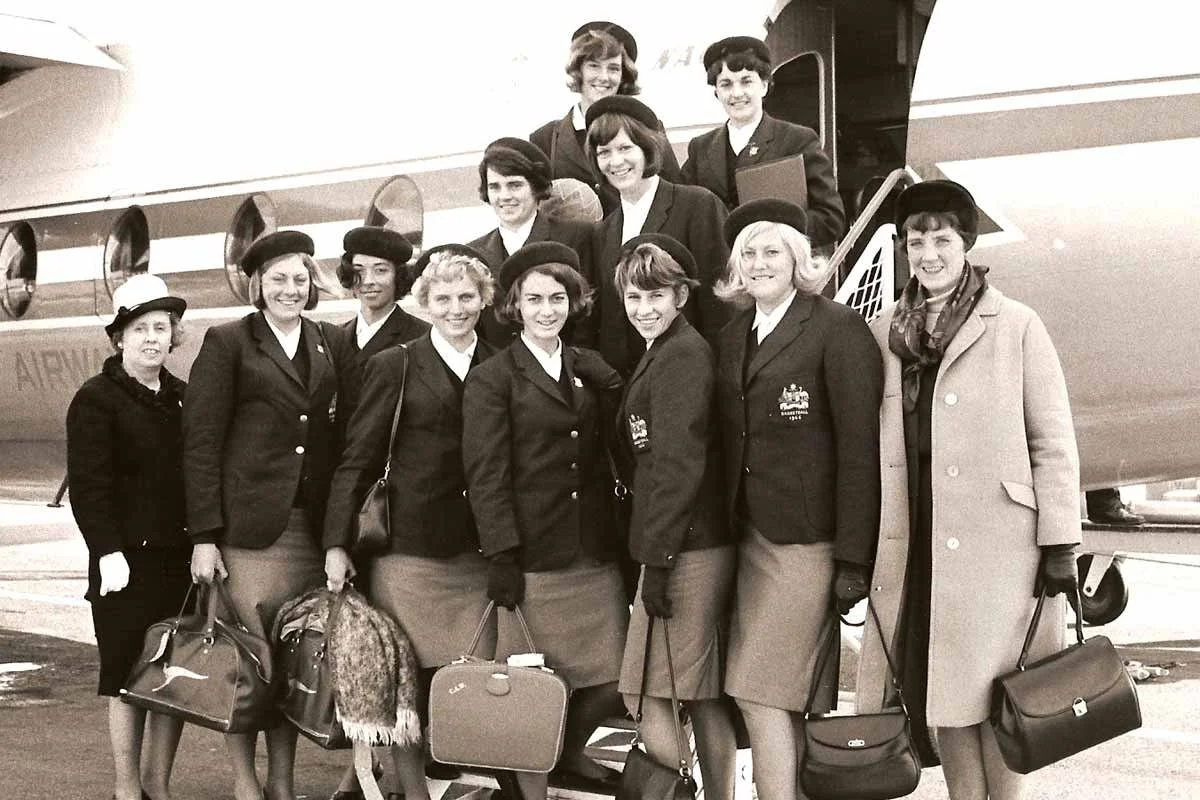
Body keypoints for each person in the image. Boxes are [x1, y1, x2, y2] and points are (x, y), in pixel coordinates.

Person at [856, 180, 1081, 800]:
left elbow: (1052, 440)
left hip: (1000, 543)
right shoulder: (884, 333)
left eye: (942, 239)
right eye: (915, 241)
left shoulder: (1015, 324)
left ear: (966, 244)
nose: (928, 253)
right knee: (944, 692)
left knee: (1002, 694)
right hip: (920, 539)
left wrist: (1060, 541)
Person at [713, 199, 883, 800]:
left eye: (772, 251)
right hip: (749, 539)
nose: (760, 264)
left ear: (797, 259)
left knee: (759, 691)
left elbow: (860, 449)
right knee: (779, 697)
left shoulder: (836, 328)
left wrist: (855, 560)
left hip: (807, 543)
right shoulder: (733, 336)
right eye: (749, 254)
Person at [324, 248, 500, 800]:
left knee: (467, 676)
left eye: (467, 297)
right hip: (409, 549)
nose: (456, 308)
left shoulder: (503, 362)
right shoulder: (396, 363)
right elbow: (357, 459)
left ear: (484, 300)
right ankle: (411, 793)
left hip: (477, 549)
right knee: (409, 679)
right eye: (443, 298)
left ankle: (433, 780)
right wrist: (335, 543)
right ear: (424, 303)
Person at [462, 242, 627, 800]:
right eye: (534, 299)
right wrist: (501, 554)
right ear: (514, 306)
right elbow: (485, 473)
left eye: (558, 297)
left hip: (591, 551)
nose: (547, 309)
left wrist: (609, 384)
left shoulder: (582, 364)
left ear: (572, 302)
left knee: (611, 679)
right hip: (533, 555)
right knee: (529, 686)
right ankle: (526, 789)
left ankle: (558, 757)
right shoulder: (493, 377)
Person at [183, 231, 338, 800]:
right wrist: (204, 535)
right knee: (248, 664)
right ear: (258, 285)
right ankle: (247, 784)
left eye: (300, 278)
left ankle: (283, 782)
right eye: (278, 279)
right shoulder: (228, 342)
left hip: (306, 530)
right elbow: (200, 443)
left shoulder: (325, 341)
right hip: (249, 533)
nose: (290, 289)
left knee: (292, 663)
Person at [612, 234, 736, 800]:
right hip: (689, 542)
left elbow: (677, 463)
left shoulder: (682, 355)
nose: (644, 309)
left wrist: (657, 562)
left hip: (682, 546)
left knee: (648, 691)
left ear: (681, 297)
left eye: (656, 295)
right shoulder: (665, 351)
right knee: (699, 690)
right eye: (634, 297)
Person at [67, 273, 191, 800]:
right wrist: (107, 550)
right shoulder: (96, 399)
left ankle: (159, 787)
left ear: (173, 335)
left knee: (173, 676)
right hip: (124, 564)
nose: (151, 339)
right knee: (124, 675)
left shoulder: (184, 398)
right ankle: (127, 787)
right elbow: (88, 487)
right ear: (119, 337)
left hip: (179, 560)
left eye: (160, 327)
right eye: (139, 328)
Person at [586, 95, 731, 377]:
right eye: (604, 152)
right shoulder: (603, 232)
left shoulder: (698, 205)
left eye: (625, 147)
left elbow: (722, 307)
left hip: (690, 377)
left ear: (647, 148)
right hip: (630, 387)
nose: (616, 161)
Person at [680, 36, 844, 251]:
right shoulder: (700, 148)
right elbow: (684, 213)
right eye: (726, 84)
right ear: (716, 93)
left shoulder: (798, 140)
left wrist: (777, 234)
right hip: (721, 276)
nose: (737, 93)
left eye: (746, 81)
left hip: (778, 273)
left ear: (764, 86)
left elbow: (831, 219)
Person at [530, 22, 680, 215]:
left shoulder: (648, 127)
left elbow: (675, 197)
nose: (604, 77)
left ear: (623, 75)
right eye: (594, 66)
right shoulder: (544, 138)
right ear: (578, 71)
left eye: (613, 68)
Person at [468, 137, 595, 347]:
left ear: (536, 187)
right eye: (495, 187)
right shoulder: (474, 254)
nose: (504, 196)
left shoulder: (577, 237)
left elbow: (590, 317)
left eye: (514, 185)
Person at [329, 225, 429, 423]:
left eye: (380, 270)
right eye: (358, 271)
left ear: (398, 276)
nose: (368, 281)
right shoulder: (334, 337)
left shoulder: (422, 337)